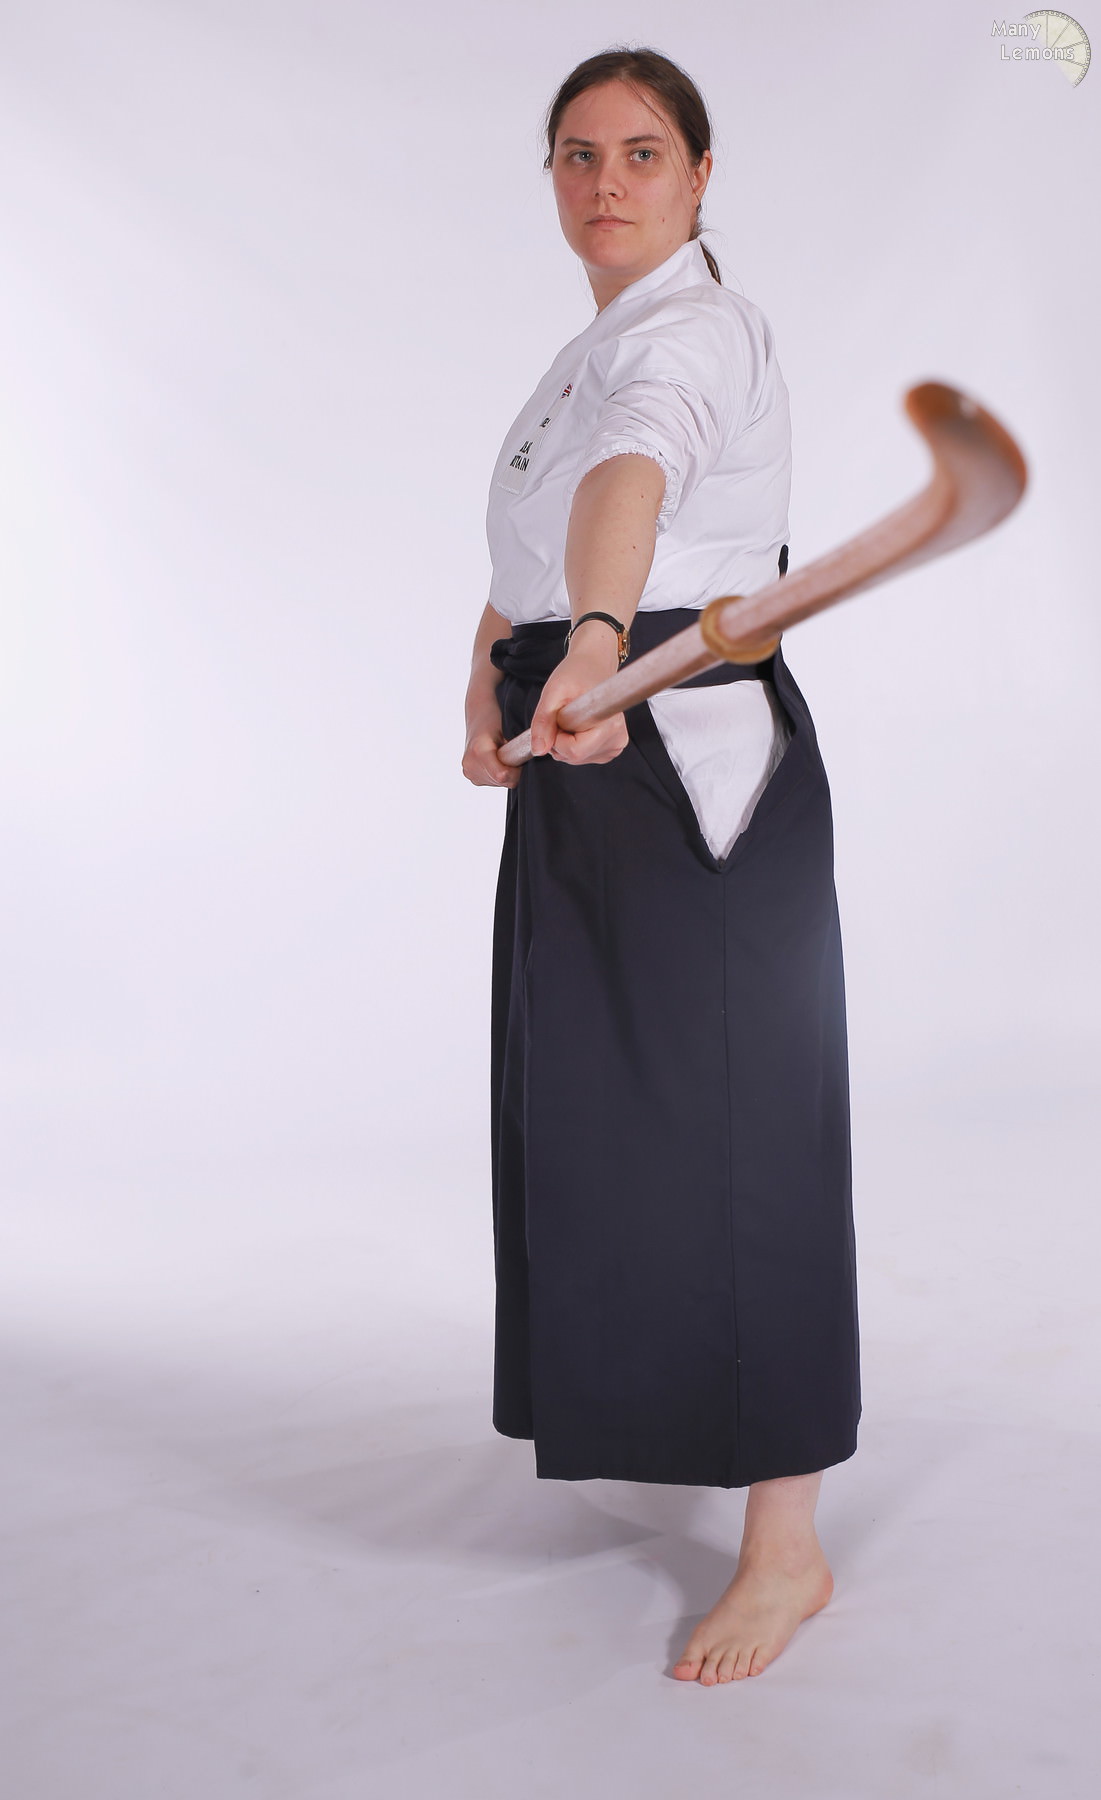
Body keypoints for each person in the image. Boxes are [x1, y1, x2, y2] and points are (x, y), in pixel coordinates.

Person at [461, 47, 860, 1687]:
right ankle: (663, 1412)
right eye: (576, 153)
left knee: (745, 1137)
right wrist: (489, 676)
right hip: (584, 746)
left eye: (640, 152)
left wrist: (596, 639)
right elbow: (530, 543)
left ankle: (786, 1547)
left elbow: (633, 481)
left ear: (700, 177)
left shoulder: (695, 335)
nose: (605, 181)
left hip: (682, 759)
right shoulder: (584, 350)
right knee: (607, 1121)